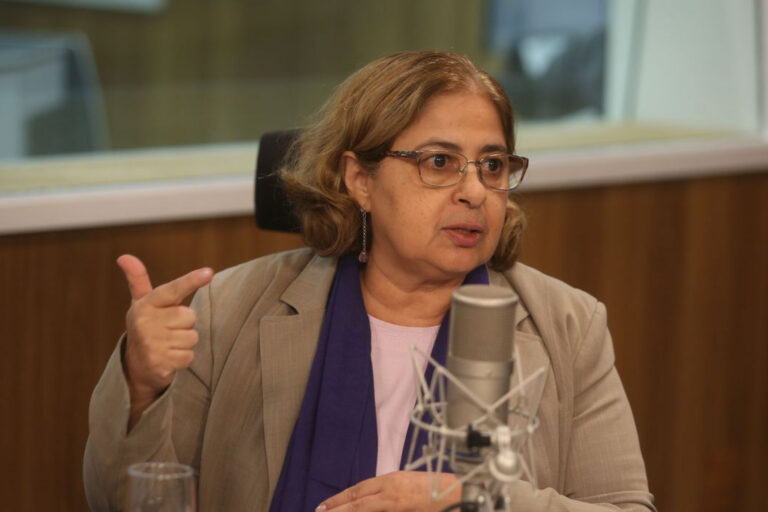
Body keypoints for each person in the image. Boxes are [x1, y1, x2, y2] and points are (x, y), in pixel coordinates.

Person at [84, 51, 655, 511]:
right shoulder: (229, 308)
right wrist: (141, 383)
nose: (474, 191)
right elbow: (120, 500)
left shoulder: (568, 325)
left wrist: (474, 499)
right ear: (360, 179)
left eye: (493, 165)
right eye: (439, 162)